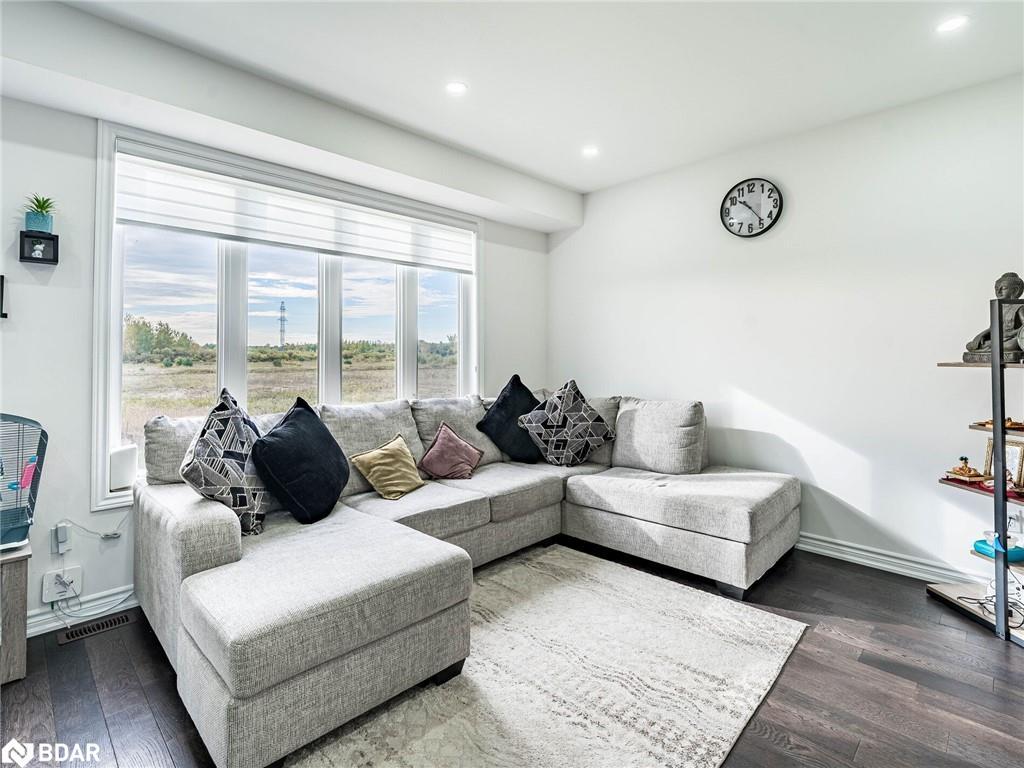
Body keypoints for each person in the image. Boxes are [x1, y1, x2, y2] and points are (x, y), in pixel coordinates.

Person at [964, 272, 1024, 361]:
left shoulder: (1020, 307)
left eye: (1003, 288)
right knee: (970, 345)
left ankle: (994, 348)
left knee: (1011, 346)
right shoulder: (999, 306)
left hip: (1012, 339)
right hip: (998, 339)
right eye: (996, 289)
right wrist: (982, 335)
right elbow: (993, 328)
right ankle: (993, 347)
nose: (998, 292)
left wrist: (1011, 334)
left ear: (1015, 290)